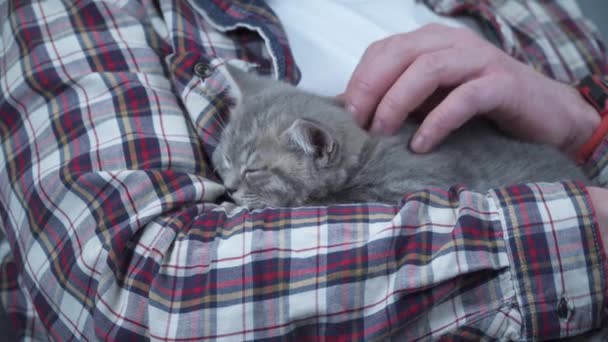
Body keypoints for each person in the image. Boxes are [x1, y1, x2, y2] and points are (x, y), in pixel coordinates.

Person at [0, 0, 606, 340]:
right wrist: (590, 230)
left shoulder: (528, 8)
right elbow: (132, 292)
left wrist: (587, 128)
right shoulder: (100, 12)